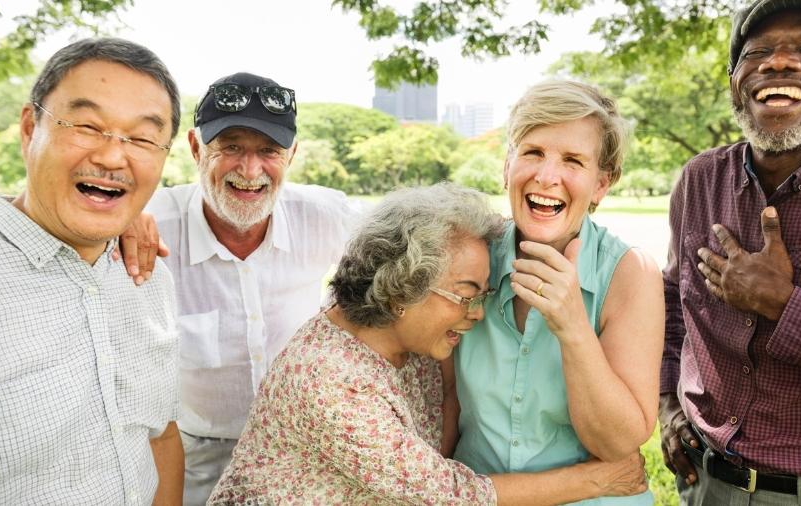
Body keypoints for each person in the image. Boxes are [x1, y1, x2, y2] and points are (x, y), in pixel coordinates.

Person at [208, 182, 648, 505]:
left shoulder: (410, 345)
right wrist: (599, 480)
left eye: (484, 295)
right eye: (466, 293)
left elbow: (444, 414)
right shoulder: (329, 379)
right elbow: (447, 495)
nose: (477, 312)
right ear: (403, 289)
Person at [659, 0, 801, 504]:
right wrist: (667, 404)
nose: (779, 62)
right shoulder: (700, 178)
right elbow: (673, 301)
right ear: (735, 82)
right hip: (706, 483)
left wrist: (786, 307)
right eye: (757, 51)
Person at [119, 71, 361, 505]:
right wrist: (120, 217)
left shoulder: (325, 214)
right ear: (195, 148)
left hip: (303, 448)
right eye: (231, 147)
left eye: (268, 151)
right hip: (194, 454)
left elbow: (412, 243)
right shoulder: (149, 222)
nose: (250, 171)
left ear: (291, 154)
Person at [453, 80, 665, 505]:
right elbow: (443, 405)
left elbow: (617, 444)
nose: (547, 177)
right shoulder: (467, 256)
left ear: (601, 184)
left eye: (572, 160)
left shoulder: (630, 273)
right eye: (533, 152)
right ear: (507, 165)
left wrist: (572, 326)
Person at [0, 38, 183, 504]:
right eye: (87, 125)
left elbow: (159, 435)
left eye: (141, 138)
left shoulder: (148, 273)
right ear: (29, 127)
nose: (114, 157)